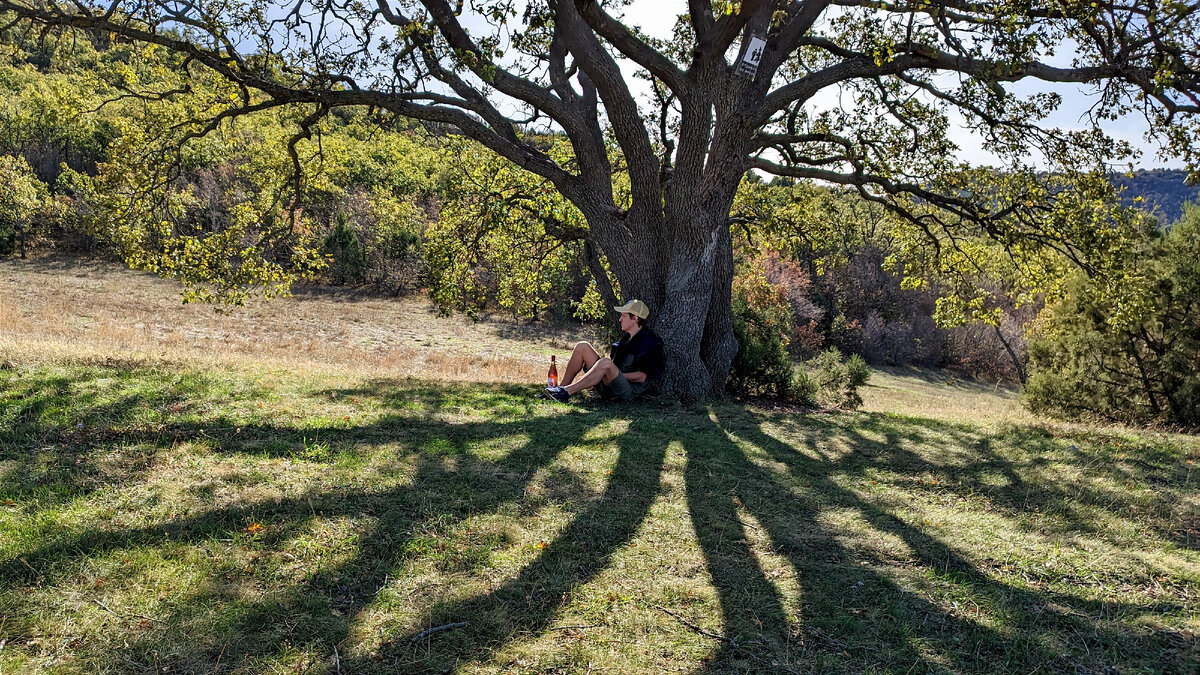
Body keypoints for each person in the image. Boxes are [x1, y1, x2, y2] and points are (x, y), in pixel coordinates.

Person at [544, 299, 665, 403]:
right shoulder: (626, 338)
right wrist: (607, 374)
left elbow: (642, 377)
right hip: (610, 383)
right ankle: (559, 390)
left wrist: (613, 375)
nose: (620, 319)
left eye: (623, 316)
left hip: (626, 392)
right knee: (583, 346)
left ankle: (567, 392)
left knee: (605, 363)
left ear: (635, 318)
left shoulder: (649, 341)